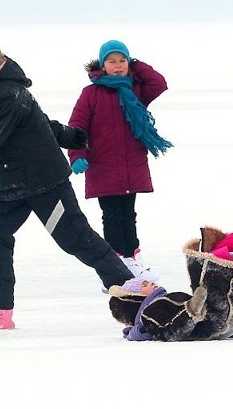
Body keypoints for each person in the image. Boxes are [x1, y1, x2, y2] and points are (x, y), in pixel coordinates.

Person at [0, 30, 134, 331]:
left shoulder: (5, 93)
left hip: (44, 182)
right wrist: (66, 135)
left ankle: (128, 288)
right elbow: (37, 121)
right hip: (12, 183)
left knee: (75, 238)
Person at [108, 190, 233, 342]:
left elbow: (211, 332)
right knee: (209, 259)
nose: (150, 283)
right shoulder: (148, 314)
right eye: (143, 286)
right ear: (134, 299)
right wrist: (191, 311)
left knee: (217, 249)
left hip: (221, 321)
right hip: (213, 317)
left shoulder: (161, 302)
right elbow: (170, 332)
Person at [67, 39, 170, 283]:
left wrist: (134, 63)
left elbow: (159, 83)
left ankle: (132, 260)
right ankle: (116, 267)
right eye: (111, 61)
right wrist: (77, 155)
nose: (118, 65)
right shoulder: (91, 94)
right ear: (102, 66)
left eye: (122, 60)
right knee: (111, 216)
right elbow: (77, 127)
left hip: (130, 166)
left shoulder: (135, 90)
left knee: (128, 214)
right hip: (103, 167)